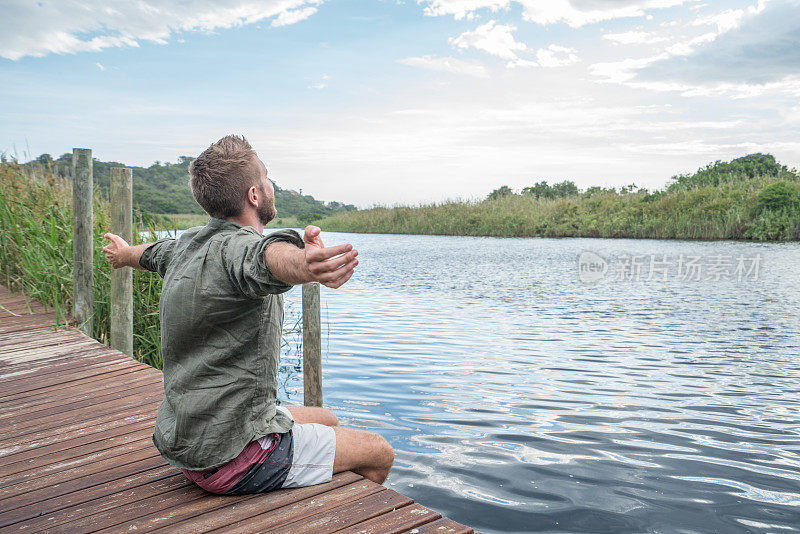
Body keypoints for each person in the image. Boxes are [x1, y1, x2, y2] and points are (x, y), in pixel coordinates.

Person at [101, 134, 393, 495]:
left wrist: (124, 253)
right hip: (234, 456)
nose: (271, 186)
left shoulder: (187, 245)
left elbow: (149, 253)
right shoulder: (241, 248)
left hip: (188, 441)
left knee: (327, 418)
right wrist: (304, 263)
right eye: (267, 178)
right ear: (254, 195)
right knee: (379, 452)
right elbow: (266, 258)